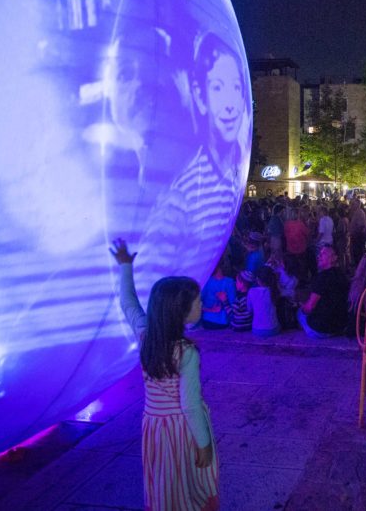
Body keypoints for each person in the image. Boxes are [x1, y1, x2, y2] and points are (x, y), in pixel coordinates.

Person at [135, 32, 249, 294]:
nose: (230, 104)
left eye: (236, 87)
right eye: (218, 87)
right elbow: (147, 284)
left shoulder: (233, 174)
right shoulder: (180, 198)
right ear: (200, 95)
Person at [111, 239, 218, 511]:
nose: (202, 304)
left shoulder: (146, 334)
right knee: (190, 478)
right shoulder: (187, 353)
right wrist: (204, 443)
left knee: (165, 478)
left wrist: (125, 266)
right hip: (181, 428)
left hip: (155, 426)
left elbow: (128, 302)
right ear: (179, 311)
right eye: (197, 302)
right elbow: (190, 404)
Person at [298, 245, 349, 337]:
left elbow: (310, 306)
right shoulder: (342, 275)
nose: (319, 257)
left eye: (323, 254)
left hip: (322, 329)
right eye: (319, 254)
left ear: (334, 257)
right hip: (340, 326)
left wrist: (303, 307)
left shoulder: (322, 278)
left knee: (299, 313)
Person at [200, 255, 236, 330]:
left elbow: (199, 302)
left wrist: (209, 309)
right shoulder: (230, 282)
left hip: (209, 321)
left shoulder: (206, 281)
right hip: (223, 322)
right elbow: (233, 304)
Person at [249, 266, 281, 337]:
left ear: (258, 279)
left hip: (257, 330)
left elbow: (249, 310)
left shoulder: (251, 291)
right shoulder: (274, 290)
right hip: (273, 330)